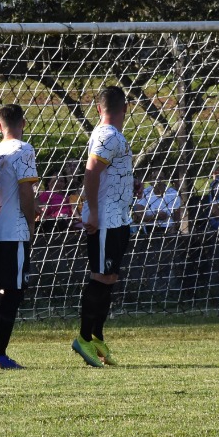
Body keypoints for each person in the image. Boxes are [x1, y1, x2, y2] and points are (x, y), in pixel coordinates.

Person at [71, 86, 134, 368]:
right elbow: (92, 169)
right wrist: (94, 211)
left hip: (118, 217)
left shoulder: (112, 135)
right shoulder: (107, 134)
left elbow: (105, 171)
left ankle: (96, 336)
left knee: (109, 278)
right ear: (126, 108)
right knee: (100, 276)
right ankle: (83, 337)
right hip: (106, 218)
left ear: (99, 108)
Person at [0, 104, 39, 369]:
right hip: (13, 229)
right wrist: (30, 223)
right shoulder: (23, 149)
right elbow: (26, 193)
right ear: (24, 123)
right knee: (14, 292)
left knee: (1, 290)